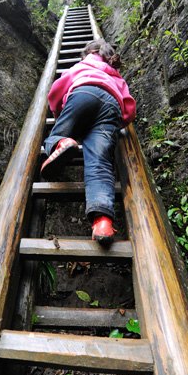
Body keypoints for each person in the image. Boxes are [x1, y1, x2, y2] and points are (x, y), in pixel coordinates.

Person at [41, 38, 136, 244]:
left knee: (58, 133)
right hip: (112, 107)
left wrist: (61, 115)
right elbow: (129, 109)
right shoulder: (115, 74)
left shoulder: (82, 65)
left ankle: (61, 143)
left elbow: (57, 91)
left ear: (89, 53)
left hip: (83, 92)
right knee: (101, 163)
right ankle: (103, 222)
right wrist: (114, 125)